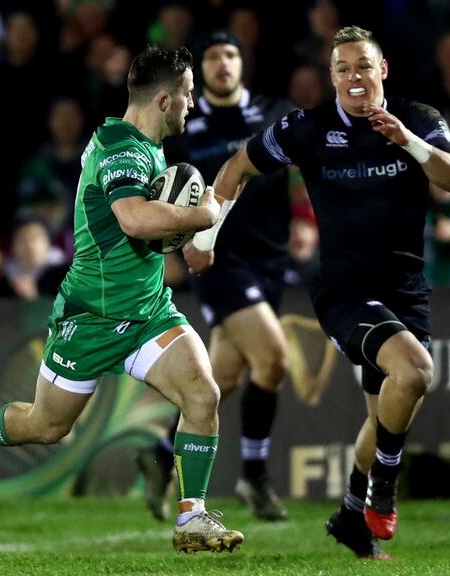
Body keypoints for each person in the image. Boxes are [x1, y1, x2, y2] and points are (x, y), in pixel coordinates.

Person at [0, 45, 244, 555]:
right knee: (47, 425)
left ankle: (192, 518)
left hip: (147, 310)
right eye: (188, 95)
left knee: (202, 394)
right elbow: (135, 219)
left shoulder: (143, 144)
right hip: (92, 316)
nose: (193, 105)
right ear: (165, 99)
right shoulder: (121, 150)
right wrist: (200, 217)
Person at [187, 26, 450, 559]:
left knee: (386, 413)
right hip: (345, 294)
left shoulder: (420, 118)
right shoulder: (308, 127)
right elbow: (238, 166)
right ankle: (382, 489)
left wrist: (405, 142)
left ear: (381, 70)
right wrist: (207, 235)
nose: (352, 77)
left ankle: (348, 515)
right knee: (414, 372)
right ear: (332, 77)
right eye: (341, 68)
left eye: (362, 65)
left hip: (407, 292)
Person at [138, 29, 317, 523]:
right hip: (216, 259)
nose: (223, 64)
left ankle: (158, 453)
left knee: (225, 377)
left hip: (270, 256)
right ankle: (254, 476)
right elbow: (161, 188)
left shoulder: (274, 111)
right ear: (200, 69)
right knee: (275, 357)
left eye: (231, 54)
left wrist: (304, 218)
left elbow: (298, 169)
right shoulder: (184, 122)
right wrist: (169, 249)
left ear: (243, 61)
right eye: (213, 56)